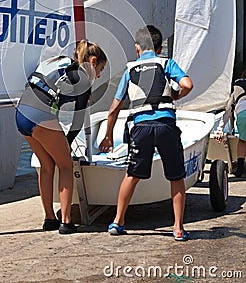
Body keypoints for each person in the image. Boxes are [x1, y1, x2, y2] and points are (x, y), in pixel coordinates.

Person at [99, 25, 193, 240]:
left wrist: (107, 135)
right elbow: (188, 84)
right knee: (176, 177)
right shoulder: (166, 63)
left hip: (141, 127)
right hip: (166, 125)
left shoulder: (130, 69)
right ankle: (178, 227)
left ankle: (117, 221)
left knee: (132, 175)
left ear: (137, 48)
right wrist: (176, 96)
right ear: (159, 49)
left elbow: (114, 109)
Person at [16, 40, 106, 234]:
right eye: (100, 69)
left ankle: (49, 218)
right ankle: (66, 221)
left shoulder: (59, 62)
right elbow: (77, 121)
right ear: (93, 61)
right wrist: (68, 143)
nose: (98, 76)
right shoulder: (83, 79)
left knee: (47, 166)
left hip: (21, 114)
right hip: (40, 115)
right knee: (65, 165)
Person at [216, 69, 246, 177]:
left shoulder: (237, 87)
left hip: (242, 113)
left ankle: (240, 168)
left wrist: (219, 129)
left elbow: (228, 110)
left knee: (243, 140)